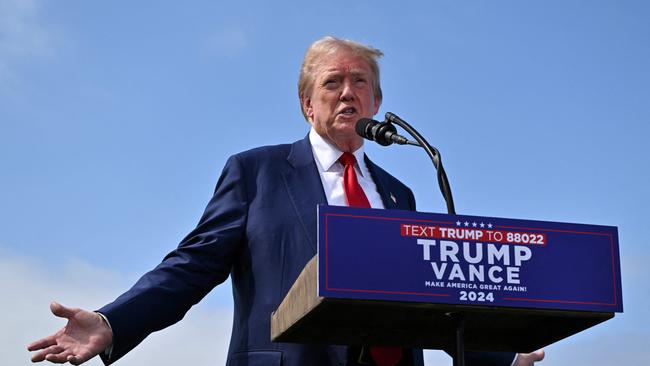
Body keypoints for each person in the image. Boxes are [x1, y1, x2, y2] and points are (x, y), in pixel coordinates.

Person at [27, 36, 544, 366]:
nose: (347, 94)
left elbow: (427, 301)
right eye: (332, 83)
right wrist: (114, 320)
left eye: (359, 83)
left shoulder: (399, 193)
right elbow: (193, 264)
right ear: (306, 103)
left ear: (377, 103)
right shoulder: (257, 172)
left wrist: (499, 356)